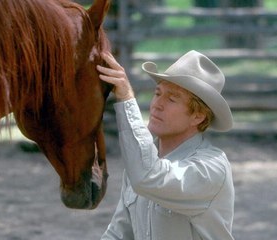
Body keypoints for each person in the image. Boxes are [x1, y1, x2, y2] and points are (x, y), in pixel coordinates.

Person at [96, 50, 235, 240]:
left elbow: (148, 176)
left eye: (171, 99)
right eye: (157, 93)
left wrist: (127, 98)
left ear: (198, 116)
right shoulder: (140, 160)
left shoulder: (211, 169)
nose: (157, 105)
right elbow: (120, 234)